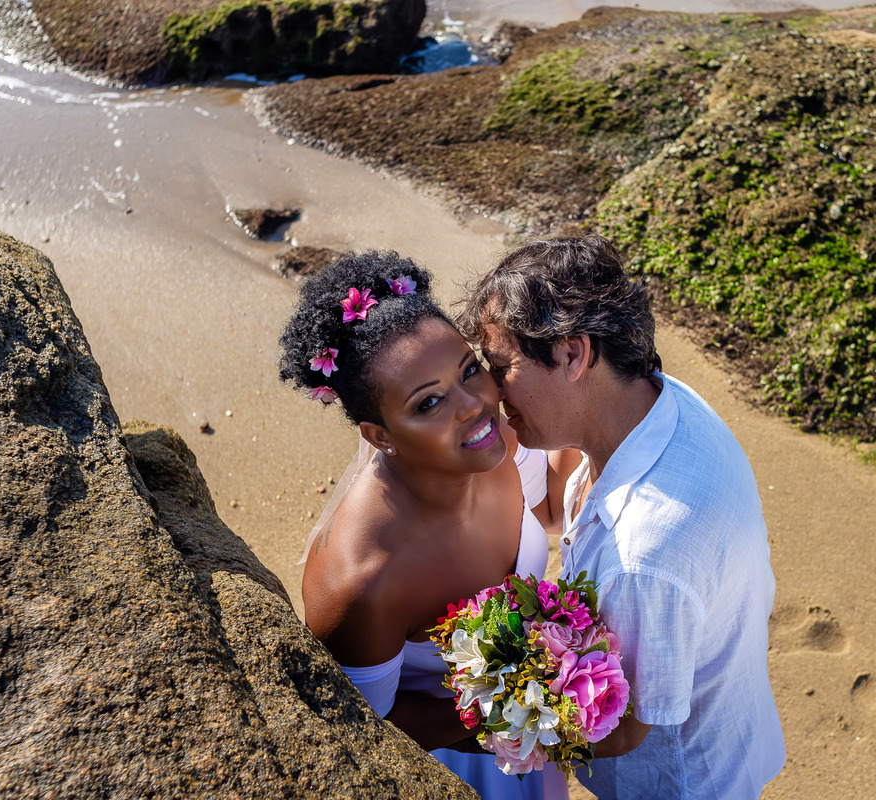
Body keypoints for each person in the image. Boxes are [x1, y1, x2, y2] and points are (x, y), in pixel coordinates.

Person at [458, 235, 786, 800]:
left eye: (502, 366)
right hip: (731, 721)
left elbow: (628, 724)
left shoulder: (642, 553)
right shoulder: (660, 399)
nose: (490, 390)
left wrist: (491, 706)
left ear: (573, 354)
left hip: (677, 783)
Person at [278, 251, 569, 800]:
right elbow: (369, 726)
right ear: (378, 436)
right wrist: (514, 706)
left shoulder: (498, 442)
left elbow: (551, 504)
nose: (475, 406)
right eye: (429, 401)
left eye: (469, 371)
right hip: (457, 769)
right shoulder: (364, 583)